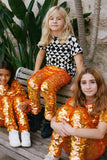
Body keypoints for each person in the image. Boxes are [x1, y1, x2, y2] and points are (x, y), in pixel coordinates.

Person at [27, 6, 84, 138]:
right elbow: (40, 55)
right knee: (32, 82)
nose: (55, 21)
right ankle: (36, 114)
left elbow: (79, 63)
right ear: (47, 22)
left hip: (63, 72)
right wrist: (36, 71)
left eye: (59, 19)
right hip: (48, 69)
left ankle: (49, 119)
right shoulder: (47, 37)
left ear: (65, 22)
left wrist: (78, 82)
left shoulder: (71, 40)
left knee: (47, 86)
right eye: (51, 19)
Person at [44, 67, 107, 160]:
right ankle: (53, 155)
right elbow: (58, 116)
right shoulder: (76, 99)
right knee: (65, 110)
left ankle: (76, 158)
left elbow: (100, 133)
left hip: (92, 148)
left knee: (79, 113)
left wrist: (73, 131)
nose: (88, 87)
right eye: (84, 83)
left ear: (99, 84)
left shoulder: (104, 103)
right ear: (80, 86)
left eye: (92, 82)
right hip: (71, 145)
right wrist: (53, 124)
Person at [0, 61, 31, 147]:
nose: (3, 78)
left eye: (7, 75)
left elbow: (25, 99)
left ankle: (25, 132)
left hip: (17, 117)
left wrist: (25, 104)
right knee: (5, 99)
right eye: (0, 75)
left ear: (11, 75)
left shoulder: (15, 84)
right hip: (2, 118)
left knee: (18, 99)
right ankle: (12, 132)